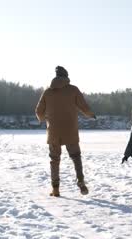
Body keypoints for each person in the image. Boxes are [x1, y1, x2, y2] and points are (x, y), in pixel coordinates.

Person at [35, 66, 96, 197]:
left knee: (54, 160)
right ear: (66, 77)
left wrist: (42, 119)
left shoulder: (47, 92)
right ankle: (80, 181)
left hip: (53, 132)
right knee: (76, 157)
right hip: (70, 130)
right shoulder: (73, 90)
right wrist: (90, 115)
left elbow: (38, 111)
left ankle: (55, 189)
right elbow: (83, 106)